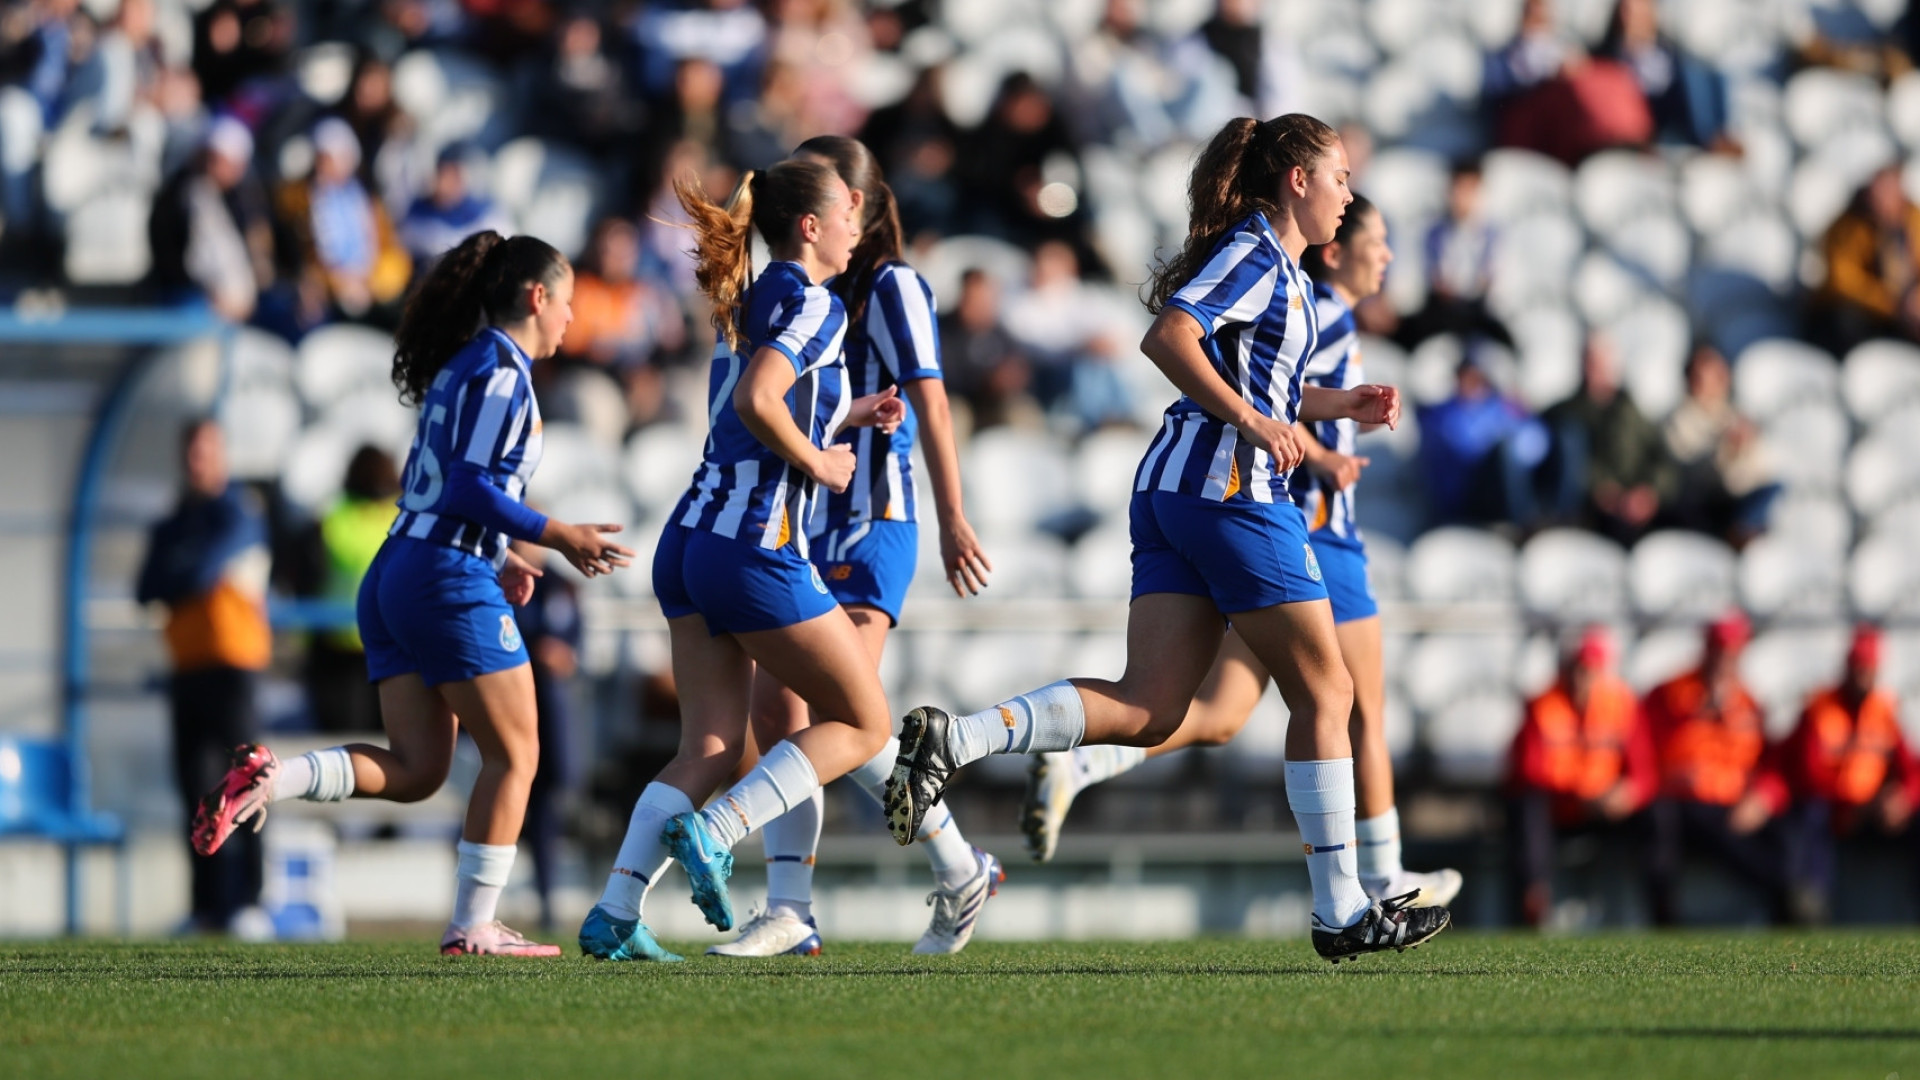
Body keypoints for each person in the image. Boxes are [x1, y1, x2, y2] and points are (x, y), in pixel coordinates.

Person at [884, 114, 1450, 963]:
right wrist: (1255, 419)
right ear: (1296, 178)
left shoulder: (1280, 268)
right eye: (1337, 177)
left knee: (1152, 709)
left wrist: (1339, 406)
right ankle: (1342, 908)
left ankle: (953, 740)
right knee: (1327, 695)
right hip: (1228, 493)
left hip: (1179, 489)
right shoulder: (1257, 252)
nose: (1347, 194)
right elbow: (1169, 337)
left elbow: (1255, 379)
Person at [192, 230, 636, 957]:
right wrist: (557, 535)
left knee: (420, 769)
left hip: (402, 568)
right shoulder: (502, 371)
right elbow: (467, 485)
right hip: (443, 578)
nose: (571, 320)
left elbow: (443, 488)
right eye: (568, 303)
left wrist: (506, 551)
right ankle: (473, 926)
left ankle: (273, 776)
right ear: (536, 297)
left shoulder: (463, 365)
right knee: (516, 756)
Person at [1017, 193, 1461, 910]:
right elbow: (1267, 397)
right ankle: (1381, 876)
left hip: (1263, 516)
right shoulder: (1323, 312)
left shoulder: (1299, 298)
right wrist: (1326, 453)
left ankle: (1084, 762)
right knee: (1357, 707)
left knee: (1217, 714)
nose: (1386, 256)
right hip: (1306, 528)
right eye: (1376, 241)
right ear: (1337, 249)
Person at [577, 159, 907, 963]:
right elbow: (763, 402)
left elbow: (753, 403)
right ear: (809, 226)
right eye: (845, 208)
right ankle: (720, 833)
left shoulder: (750, 292)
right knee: (864, 723)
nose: (857, 218)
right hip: (751, 542)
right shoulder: (819, 302)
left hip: (690, 538)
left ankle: (615, 913)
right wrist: (825, 462)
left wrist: (850, 411)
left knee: (711, 749)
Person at [704, 135, 999, 959]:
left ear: (854, 207)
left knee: (846, 713)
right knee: (782, 712)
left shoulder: (893, 285)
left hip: (874, 517)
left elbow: (931, 404)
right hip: (805, 517)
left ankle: (944, 868)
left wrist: (953, 516)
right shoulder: (798, 290)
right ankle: (801, 904)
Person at [136, 419, 272, 938]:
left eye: (208, 452)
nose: (200, 462)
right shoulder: (174, 520)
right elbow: (147, 587)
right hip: (187, 667)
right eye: (192, 452)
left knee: (248, 783)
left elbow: (191, 572)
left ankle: (250, 902)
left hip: (233, 666)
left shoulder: (237, 510)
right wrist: (184, 570)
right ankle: (206, 907)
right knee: (195, 792)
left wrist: (182, 569)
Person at [1641, 613, 1792, 925]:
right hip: (1683, 805)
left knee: (1789, 836)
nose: (1724, 658)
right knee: (1659, 823)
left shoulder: (1749, 704)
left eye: (1731, 651)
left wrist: (1762, 799)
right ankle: (1663, 921)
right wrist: (1667, 777)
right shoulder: (1669, 695)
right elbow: (1640, 751)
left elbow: (1773, 768)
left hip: (1731, 808)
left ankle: (1793, 914)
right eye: (1718, 648)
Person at [1505, 627, 1657, 928]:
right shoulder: (1542, 705)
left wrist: (1629, 793)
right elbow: (1526, 773)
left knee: (1659, 816)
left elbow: (1645, 773)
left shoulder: (1622, 704)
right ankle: (1533, 903)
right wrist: (1580, 798)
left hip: (1607, 810)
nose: (1582, 677)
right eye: (1577, 668)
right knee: (1528, 808)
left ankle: (1661, 909)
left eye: (1590, 669)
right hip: (1559, 809)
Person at [1774, 624, 1919, 924]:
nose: (1861, 675)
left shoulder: (1884, 712)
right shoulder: (1821, 708)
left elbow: (1911, 771)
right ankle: (1809, 906)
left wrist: (1903, 798)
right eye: (1857, 667)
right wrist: (1851, 805)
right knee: (1810, 816)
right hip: (1834, 809)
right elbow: (1808, 775)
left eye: (1867, 668)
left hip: (1873, 812)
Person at [510, 537, 582, 933]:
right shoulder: (504, 581)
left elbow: (572, 641)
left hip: (549, 711)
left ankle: (546, 900)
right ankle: (472, 905)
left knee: (544, 808)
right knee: (497, 794)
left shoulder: (559, 585)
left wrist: (562, 653)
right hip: (512, 702)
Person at [1541, 332, 1675, 542]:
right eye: (1591, 361)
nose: (1597, 369)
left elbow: (1662, 459)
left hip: (1636, 509)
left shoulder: (1630, 410)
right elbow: (1566, 466)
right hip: (1586, 514)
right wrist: (1600, 490)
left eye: (1602, 362)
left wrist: (1649, 493)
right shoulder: (1563, 414)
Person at [303, 444, 400, 735]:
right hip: (389, 645)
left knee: (344, 748)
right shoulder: (406, 515)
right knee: (392, 748)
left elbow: (307, 578)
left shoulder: (330, 517)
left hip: (339, 647)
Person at [147, 116, 276, 323]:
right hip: (192, 296)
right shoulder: (179, 197)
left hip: (236, 301)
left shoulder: (242, 201)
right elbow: (175, 259)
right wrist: (212, 294)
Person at [1662, 342, 1778, 547]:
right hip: (1705, 501)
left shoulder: (1734, 416)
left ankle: (1743, 532)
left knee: (1775, 489)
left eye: (1721, 372)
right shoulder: (1680, 420)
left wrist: (1742, 449)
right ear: (1694, 379)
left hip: (1737, 496)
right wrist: (1725, 449)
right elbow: (1690, 471)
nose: (1721, 379)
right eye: (1712, 374)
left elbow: (1756, 473)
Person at [1812, 165, 1920, 354]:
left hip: (1902, 310)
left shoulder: (1913, 219)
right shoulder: (1847, 227)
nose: (1885, 197)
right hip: (1864, 311)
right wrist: (1894, 305)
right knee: (1846, 323)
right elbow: (1845, 282)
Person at [397, 144, 512, 265]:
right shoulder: (417, 213)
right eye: (442, 173)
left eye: (453, 174)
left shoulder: (488, 218)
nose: (444, 182)